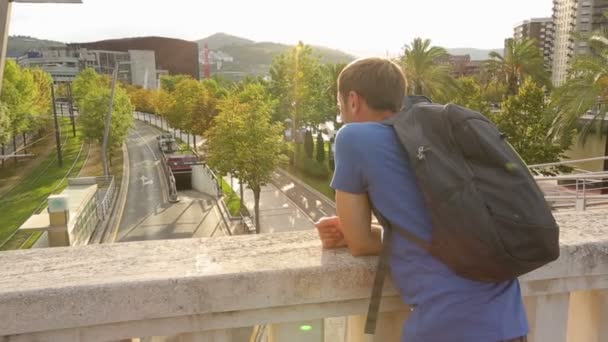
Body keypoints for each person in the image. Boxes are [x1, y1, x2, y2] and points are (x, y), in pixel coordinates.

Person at [314, 57, 529, 342]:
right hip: (510, 321)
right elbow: (438, 227)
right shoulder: (430, 137)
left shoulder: (354, 137)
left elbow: (361, 243)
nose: (342, 115)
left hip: (446, 327)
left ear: (353, 100)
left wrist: (351, 232)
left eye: (340, 106)